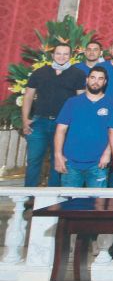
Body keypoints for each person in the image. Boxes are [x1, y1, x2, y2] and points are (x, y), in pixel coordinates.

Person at [22, 43, 86, 187]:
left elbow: (80, 101)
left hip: (63, 126)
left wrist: (76, 124)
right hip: (39, 123)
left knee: (58, 160)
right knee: (33, 160)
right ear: (52, 55)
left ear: (71, 56)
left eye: (65, 54)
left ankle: (53, 198)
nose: (61, 57)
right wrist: (25, 119)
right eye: (58, 53)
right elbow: (28, 96)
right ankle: (28, 195)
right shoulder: (39, 72)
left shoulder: (78, 74)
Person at [53, 66, 113, 188]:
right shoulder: (72, 102)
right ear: (87, 80)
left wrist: (107, 153)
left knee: (98, 204)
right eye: (93, 78)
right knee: (68, 203)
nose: (96, 81)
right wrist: (58, 155)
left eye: (100, 79)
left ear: (105, 82)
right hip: (71, 163)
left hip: (99, 163)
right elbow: (60, 130)